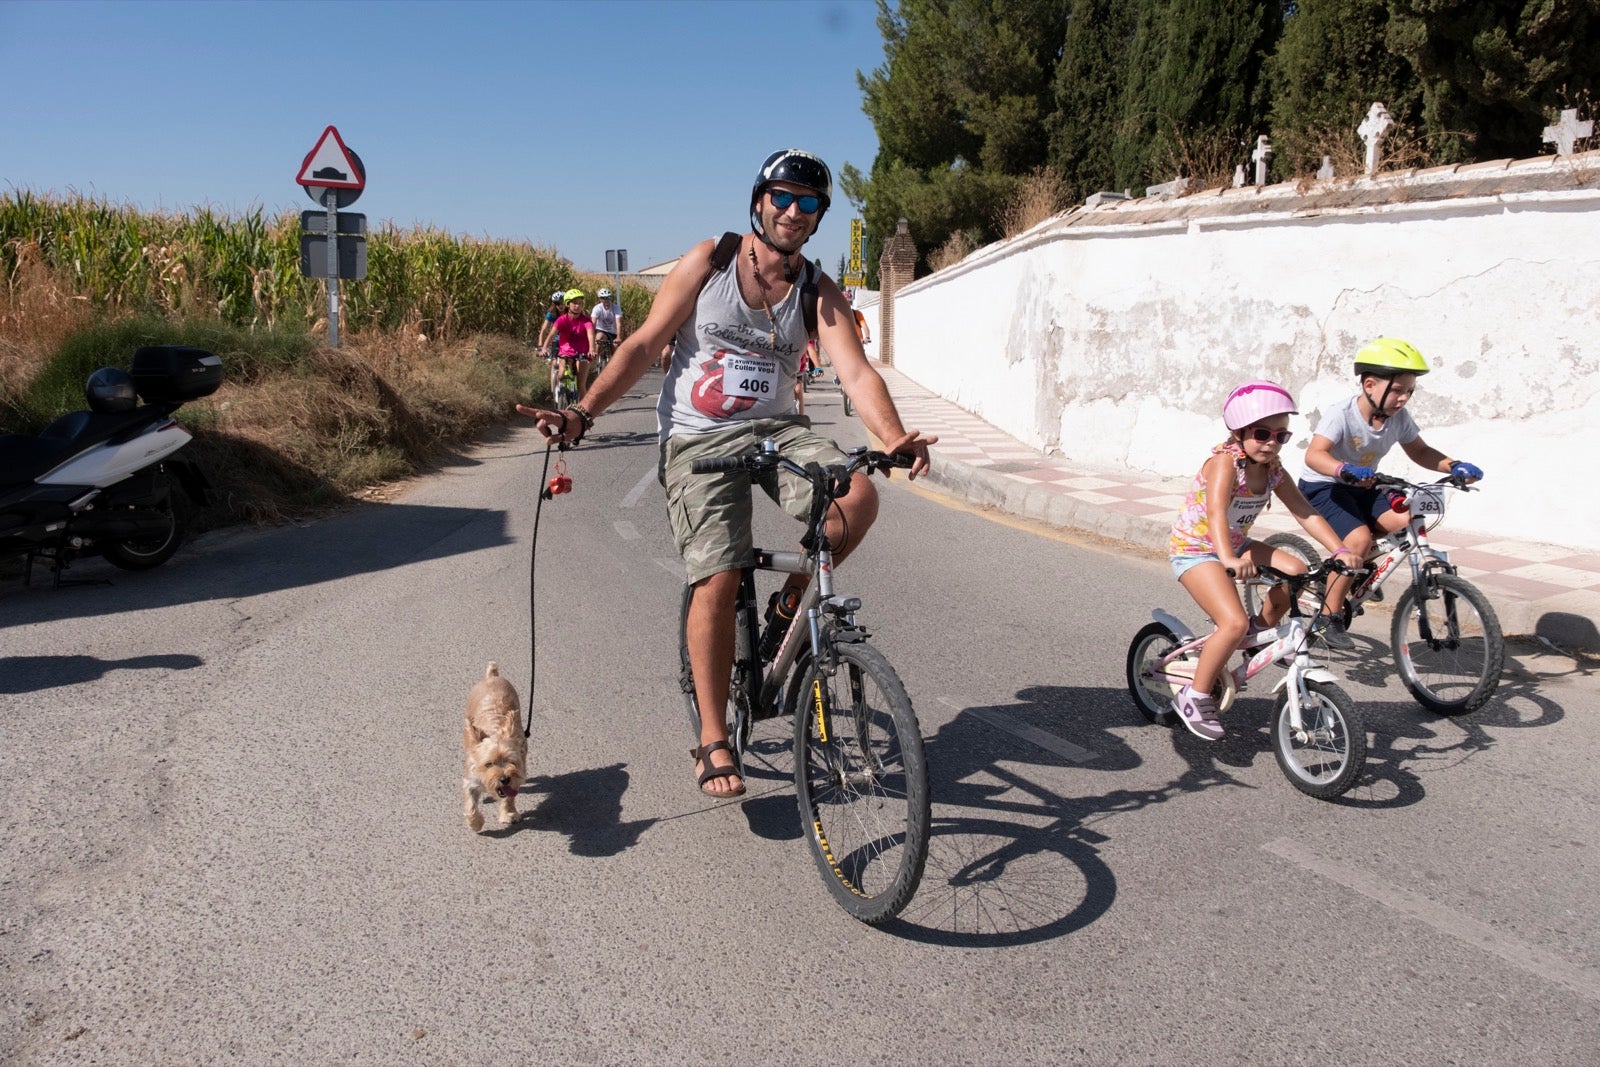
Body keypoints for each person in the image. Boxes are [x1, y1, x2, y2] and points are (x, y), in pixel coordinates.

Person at [517, 148, 936, 798]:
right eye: (784, 197)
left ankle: (793, 601)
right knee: (719, 571)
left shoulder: (815, 290)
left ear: (819, 216)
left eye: (810, 203)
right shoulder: (711, 261)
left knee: (857, 495)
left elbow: (856, 371)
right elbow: (642, 344)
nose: (795, 211)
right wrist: (581, 415)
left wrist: (893, 438)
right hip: (696, 437)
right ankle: (714, 735)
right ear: (760, 201)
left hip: (776, 433)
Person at [1167, 380, 1352, 740]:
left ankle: (1260, 627)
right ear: (1239, 432)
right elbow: (1217, 513)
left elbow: (1304, 511)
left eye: (1281, 435)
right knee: (1231, 623)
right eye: (1262, 433)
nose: (1271, 442)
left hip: (1235, 545)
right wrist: (1228, 560)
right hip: (1197, 549)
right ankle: (1195, 694)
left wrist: (1341, 549)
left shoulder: (1273, 470)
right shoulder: (1224, 463)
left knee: (1297, 570)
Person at [1296, 338, 1484, 650]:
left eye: (1410, 391)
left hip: (1366, 485)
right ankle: (1328, 619)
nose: (1404, 398)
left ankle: (1356, 573)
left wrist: (1454, 464)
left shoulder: (1398, 419)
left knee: (1405, 519)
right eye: (1398, 390)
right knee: (1357, 542)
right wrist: (1343, 469)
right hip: (1325, 487)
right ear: (1370, 384)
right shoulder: (1340, 413)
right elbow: (1314, 455)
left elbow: (1420, 451)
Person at [551, 288, 596, 400]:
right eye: (575, 303)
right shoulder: (561, 319)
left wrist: (592, 349)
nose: (577, 306)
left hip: (582, 350)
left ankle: (584, 410)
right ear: (568, 304)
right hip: (566, 350)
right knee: (561, 375)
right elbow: (551, 334)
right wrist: (543, 348)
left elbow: (591, 335)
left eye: (580, 303)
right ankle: (559, 390)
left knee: (581, 384)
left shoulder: (586, 320)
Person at [535, 290, 565, 398]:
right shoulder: (551, 314)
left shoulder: (570, 312)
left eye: (562, 302)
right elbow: (543, 330)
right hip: (556, 340)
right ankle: (553, 391)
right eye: (557, 304)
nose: (560, 306)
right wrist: (540, 346)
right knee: (554, 363)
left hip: (568, 340)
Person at [590, 287, 623, 370]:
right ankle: (596, 362)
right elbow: (593, 323)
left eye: (608, 298)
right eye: (603, 299)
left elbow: (618, 323)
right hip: (602, 330)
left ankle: (614, 368)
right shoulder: (597, 308)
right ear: (600, 300)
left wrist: (618, 337)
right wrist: (592, 337)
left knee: (614, 348)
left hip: (613, 332)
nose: (606, 301)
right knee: (599, 339)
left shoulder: (616, 308)